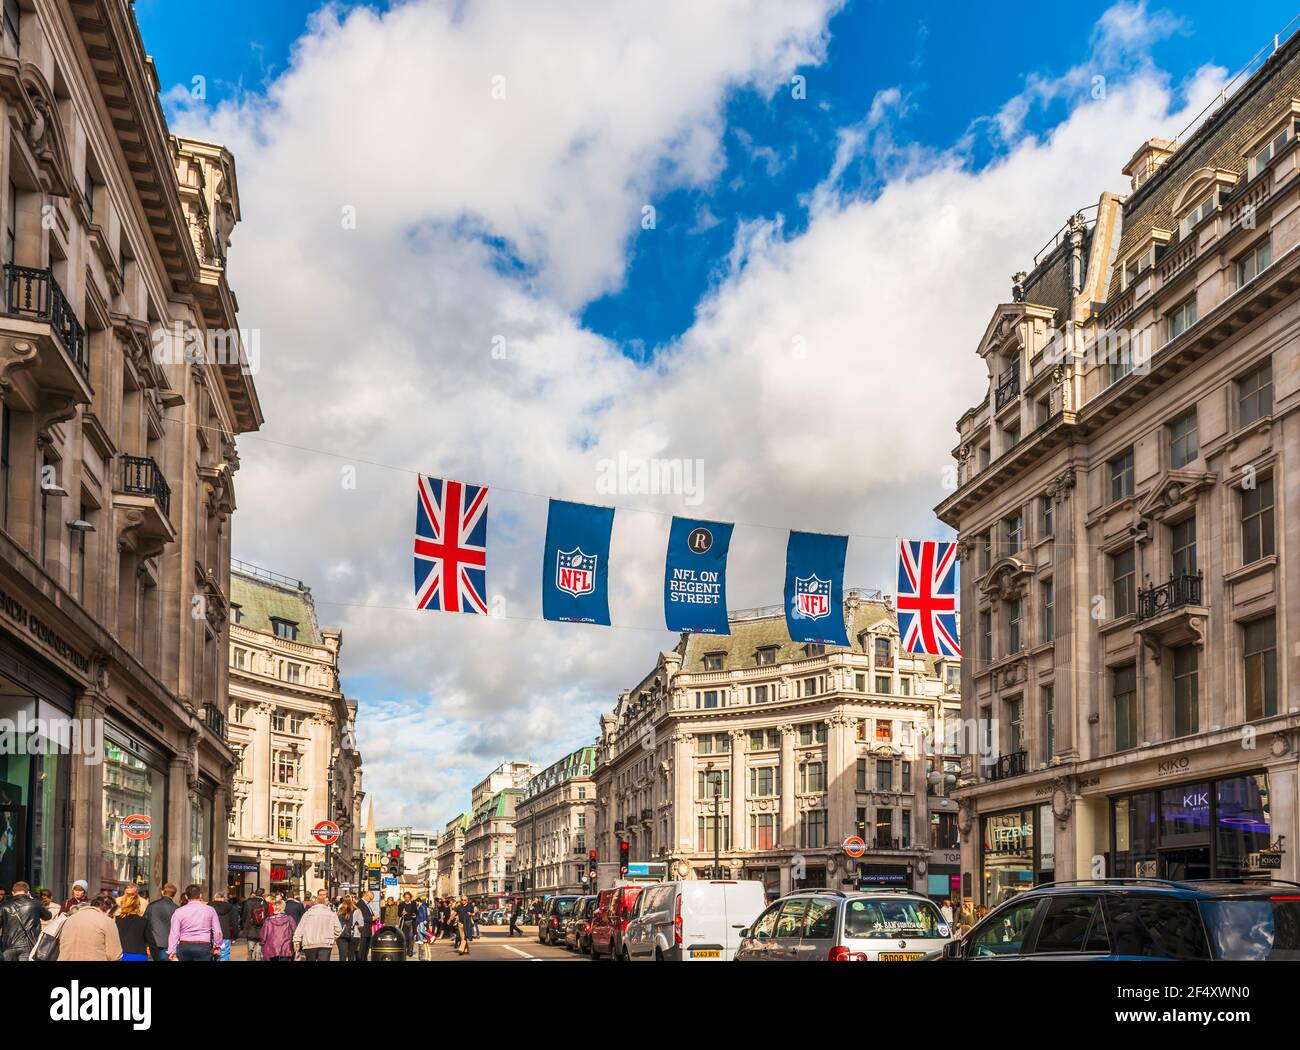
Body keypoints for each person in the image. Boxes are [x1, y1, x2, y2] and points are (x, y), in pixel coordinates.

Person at [167, 884, 223, 961]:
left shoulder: (179, 911)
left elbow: (174, 933)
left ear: (186, 896)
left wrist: (171, 951)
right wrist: (217, 946)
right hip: (203, 946)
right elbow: (217, 931)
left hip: (184, 946)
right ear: (200, 895)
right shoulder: (210, 910)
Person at [60, 895, 123, 961]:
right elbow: (114, 956)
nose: (112, 918)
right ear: (109, 910)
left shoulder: (70, 919)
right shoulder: (107, 921)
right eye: (112, 915)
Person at [0, 881, 50, 961]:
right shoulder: (35, 904)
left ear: (13, 893)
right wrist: (33, 900)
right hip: (28, 945)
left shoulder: (4, 905)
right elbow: (48, 916)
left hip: (8, 945)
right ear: (28, 892)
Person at [144, 883, 178, 961]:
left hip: (153, 941)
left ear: (162, 892)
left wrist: (146, 943)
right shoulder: (176, 908)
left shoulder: (152, 905)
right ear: (174, 895)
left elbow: (145, 923)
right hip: (168, 942)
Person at [114, 889, 149, 962]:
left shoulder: (117, 920)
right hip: (139, 955)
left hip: (122, 954)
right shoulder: (143, 921)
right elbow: (149, 939)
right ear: (138, 905)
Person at [260, 896, 297, 961]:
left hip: (271, 947)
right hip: (286, 948)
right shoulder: (289, 919)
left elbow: (263, 935)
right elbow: (295, 932)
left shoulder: (268, 920)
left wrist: (262, 945)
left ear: (274, 907)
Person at [240, 887, 269, 960]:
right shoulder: (265, 903)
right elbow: (267, 915)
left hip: (250, 926)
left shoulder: (248, 902)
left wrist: (244, 925)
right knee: (259, 945)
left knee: (250, 941)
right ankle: (258, 957)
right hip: (261, 927)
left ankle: (250, 953)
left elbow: (244, 915)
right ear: (262, 894)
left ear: (255, 893)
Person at [211, 892, 238, 961]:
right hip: (225, 935)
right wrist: (234, 936)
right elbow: (234, 922)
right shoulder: (230, 907)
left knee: (212, 955)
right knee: (224, 955)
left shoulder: (209, 906)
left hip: (211, 935)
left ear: (215, 898)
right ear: (224, 899)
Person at [336, 896, 362, 961]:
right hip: (354, 935)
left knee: (342, 956)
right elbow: (361, 924)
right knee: (351, 955)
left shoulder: (339, 910)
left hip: (341, 935)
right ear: (352, 900)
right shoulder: (357, 910)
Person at [356, 890, 375, 961]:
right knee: (362, 949)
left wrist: (374, 918)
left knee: (366, 949)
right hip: (363, 929)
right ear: (366, 896)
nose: (370, 900)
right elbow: (360, 917)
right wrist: (371, 918)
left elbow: (370, 914)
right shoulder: (360, 903)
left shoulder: (367, 904)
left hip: (368, 929)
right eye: (370, 899)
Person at [398, 892, 419, 957]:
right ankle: (406, 950)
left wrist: (415, 915)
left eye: (408, 897)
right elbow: (398, 914)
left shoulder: (413, 903)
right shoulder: (401, 904)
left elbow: (416, 912)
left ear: (410, 897)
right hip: (404, 922)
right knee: (405, 937)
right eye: (406, 897)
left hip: (411, 922)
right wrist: (402, 914)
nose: (407, 898)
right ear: (404, 897)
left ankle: (410, 951)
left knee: (411, 937)